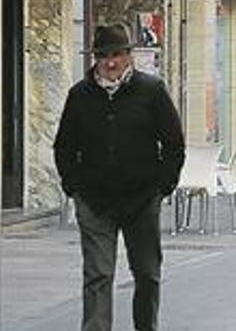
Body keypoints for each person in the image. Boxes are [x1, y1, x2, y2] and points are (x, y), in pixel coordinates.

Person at [54, 24, 185, 331]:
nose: (110, 63)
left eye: (116, 55)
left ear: (129, 56)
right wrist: (73, 185)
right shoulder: (80, 95)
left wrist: (163, 186)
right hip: (95, 200)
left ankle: (145, 326)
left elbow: (173, 143)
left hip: (142, 199)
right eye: (103, 56)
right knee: (98, 275)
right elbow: (64, 145)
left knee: (147, 273)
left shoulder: (151, 90)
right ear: (95, 58)